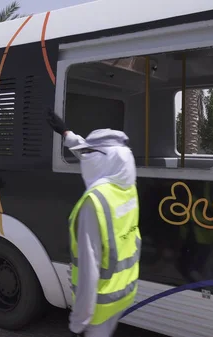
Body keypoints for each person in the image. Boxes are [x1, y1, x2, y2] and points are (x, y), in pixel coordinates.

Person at [46, 108, 142, 337]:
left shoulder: (94, 203)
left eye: (90, 154)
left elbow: (89, 272)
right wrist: (66, 134)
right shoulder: (127, 189)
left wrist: (78, 323)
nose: (85, 158)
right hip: (123, 292)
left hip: (98, 304)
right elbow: (96, 156)